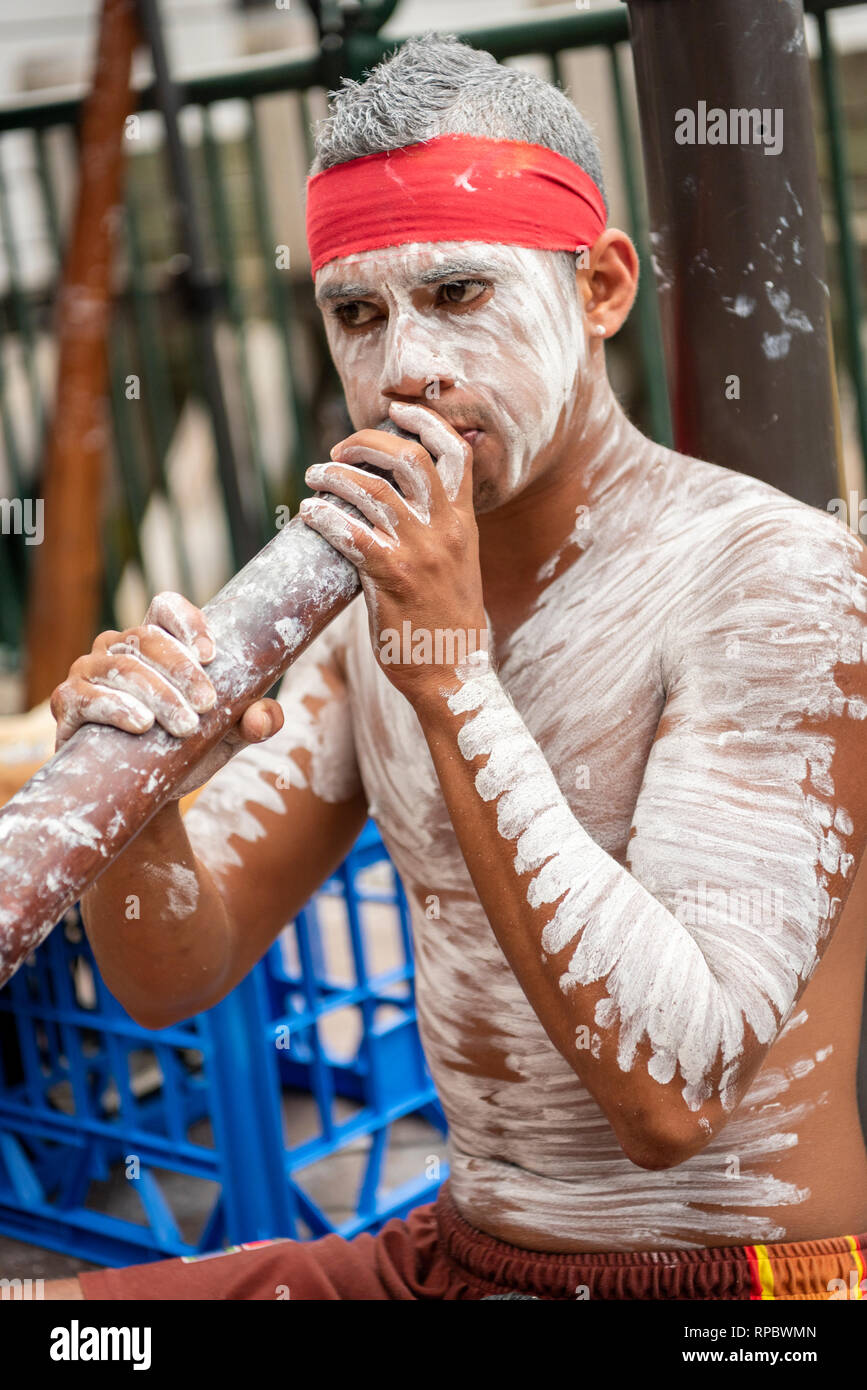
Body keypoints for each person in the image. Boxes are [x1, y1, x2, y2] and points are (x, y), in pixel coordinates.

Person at [39, 35, 867, 1300]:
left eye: (460, 295)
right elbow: (175, 977)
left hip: (730, 1299)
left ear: (598, 288)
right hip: (453, 1256)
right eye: (358, 315)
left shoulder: (775, 579)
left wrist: (450, 670)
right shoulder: (375, 589)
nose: (405, 369)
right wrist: (137, 802)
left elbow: (674, 1098)